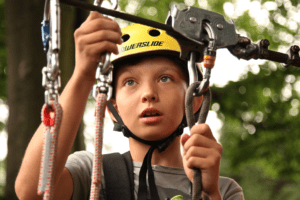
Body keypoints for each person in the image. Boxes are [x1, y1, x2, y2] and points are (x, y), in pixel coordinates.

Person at [15, 11, 244, 200]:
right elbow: (32, 190)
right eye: (130, 82)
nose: (148, 94)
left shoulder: (225, 190)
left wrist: (209, 193)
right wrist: (83, 74)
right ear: (112, 109)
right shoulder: (93, 173)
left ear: (194, 99)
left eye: (165, 78)